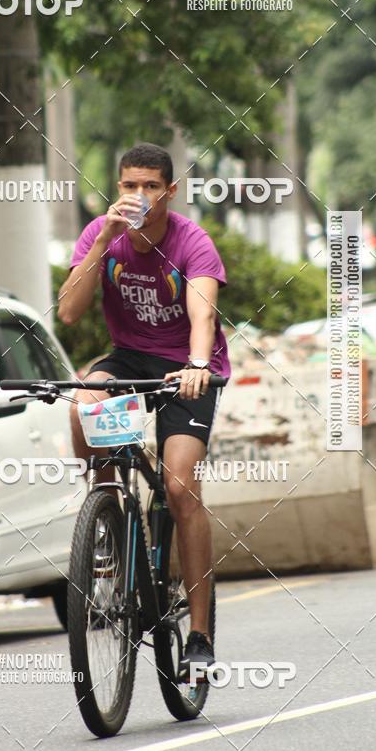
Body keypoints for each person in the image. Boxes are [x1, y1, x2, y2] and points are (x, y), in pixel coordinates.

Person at [58, 142, 231, 674]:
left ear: (169, 192)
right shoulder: (101, 235)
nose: (139, 196)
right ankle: (109, 507)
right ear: (118, 187)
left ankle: (198, 634)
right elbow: (68, 311)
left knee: (181, 489)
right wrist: (105, 239)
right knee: (81, 403)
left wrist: (198, 364)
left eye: (151, 187)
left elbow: (202, 314)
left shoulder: (191, 242)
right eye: (130, 186)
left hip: (186, 370)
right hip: (129, 359)